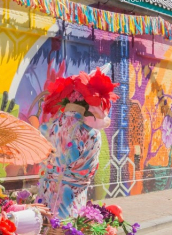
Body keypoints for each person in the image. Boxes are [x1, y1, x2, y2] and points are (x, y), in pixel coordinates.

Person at [35, 65, 119, 218]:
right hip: (72, 208)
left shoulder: (48, 127)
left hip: (43, 205)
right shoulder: (92, 134)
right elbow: (90, 168)